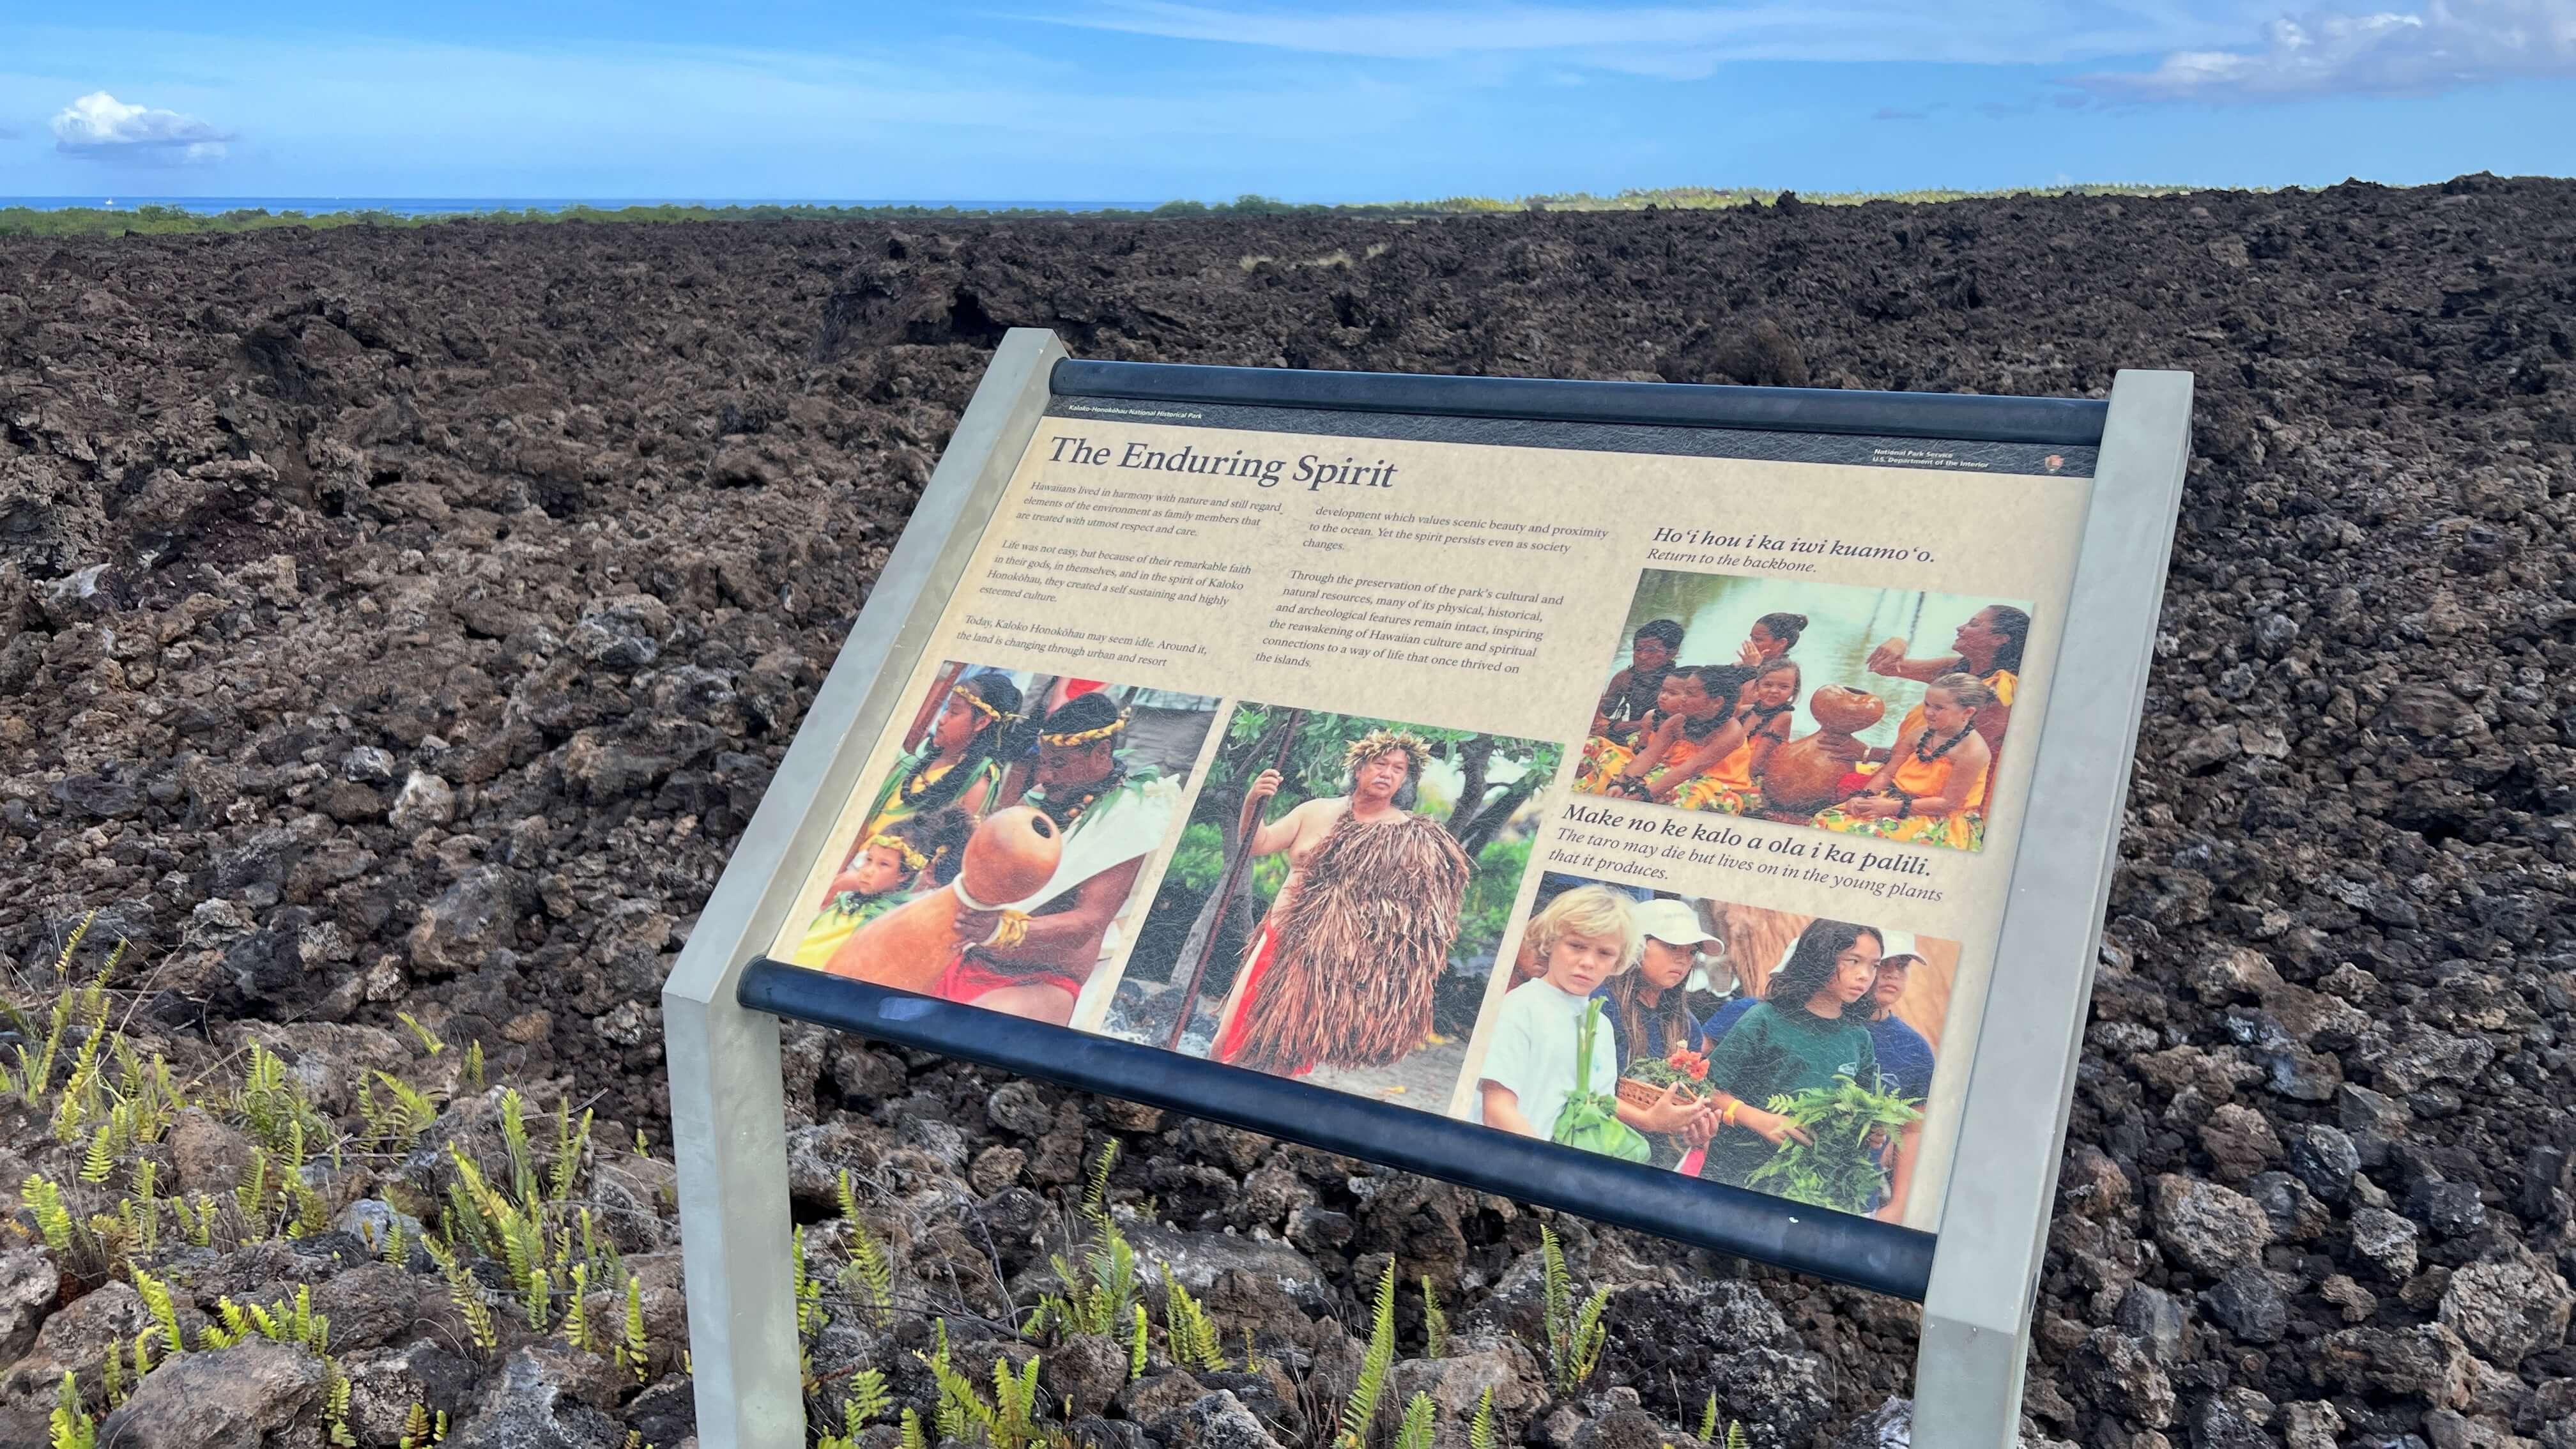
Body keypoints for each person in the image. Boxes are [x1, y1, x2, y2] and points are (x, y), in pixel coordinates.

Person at [1211, 728, 1474, 1075]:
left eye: (1398, 769)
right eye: (1381, 764)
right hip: (1277, 937)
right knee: (1225, 1040)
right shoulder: (1316, 811)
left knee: (1282, 1054)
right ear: (1359, 769)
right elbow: (1258, 843)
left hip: (1328, 961)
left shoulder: (1409, 836)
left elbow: (1417, 916)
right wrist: (1253, 801)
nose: (1388, 773)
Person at [937, 691, 1181, 1024]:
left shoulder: (1129, 816)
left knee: (968, 1024)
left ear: (1101, 753)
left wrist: (1000, 929)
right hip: (971, 958)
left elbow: (1087, 921)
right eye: (1044, 763)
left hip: (1040, 984)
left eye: (1059, 764)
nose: (1045, 776)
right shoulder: (1041, 796)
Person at [1695, 921, 1884, 1196]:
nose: (1865, 975)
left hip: (1812, 1189)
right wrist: (1756, 1118)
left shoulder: (1859, 1038)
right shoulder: (1765, 1019)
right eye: (1853, 961)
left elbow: (1863, 1109)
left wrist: (1870, 1131)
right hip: (1735, 1178)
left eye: (1874, 965)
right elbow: (1705, 1090)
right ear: (1819, 957)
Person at [1474, 885, 1637, 1139]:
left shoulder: (1602, 1026)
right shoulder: (1521, 1006)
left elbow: (1599, 1106)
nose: (1588, 962)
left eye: (1604, 953)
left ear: (1618, 960)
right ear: (1550, 942)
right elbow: (1496, 1110)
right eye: (1577, 946)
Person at [1863, 604, 2027, 811]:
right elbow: (1884, 668)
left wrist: (1867, 753)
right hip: (1910, 780)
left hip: (1940, 800)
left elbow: (1938, 756)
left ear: (1999, 639)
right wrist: (1899, 642)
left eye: (1973, 624)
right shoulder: (1956, 669)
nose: (1960, 628)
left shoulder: (2000, 691)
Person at [1812, 674, 1996, 850]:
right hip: (1895, 799)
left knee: (1864, 834)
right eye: (1927, 704)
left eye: (1939, 708)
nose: (1928, 713)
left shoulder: (1972, 752)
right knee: (1826, 819)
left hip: (1938, 817)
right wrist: (1863, 796)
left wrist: (1890, 808)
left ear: (1968, 712)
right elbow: (1887, 772)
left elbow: (1948, 803)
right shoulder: (1919, 734)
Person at [782, 808, 971, 970]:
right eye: (869, 860)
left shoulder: (912, 911)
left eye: (883, 865)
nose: (869, 871)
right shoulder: (855, 887)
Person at [852, 672, 1022, 851]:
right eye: (946, 709)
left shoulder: (977, 781)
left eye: (954, 713)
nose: (941, 720)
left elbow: (951, 849)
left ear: (981, 723)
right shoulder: (916, 762)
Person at [1582, 664, 1739, 803]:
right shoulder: (1677, 721)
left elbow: (1690, 768)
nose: (1683, 699)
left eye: (1690, 694)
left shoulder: (1731, 732)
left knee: (1684, 794)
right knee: (1613, 762)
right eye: (1684, 692)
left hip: (1717, 786)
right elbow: (1649, 756)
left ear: (1717, 702)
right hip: (1676, 773)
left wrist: (1643, 794)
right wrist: (1621, 783)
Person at [1673, 660, 1800, 815]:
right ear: (1757, 686)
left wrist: (1729, 781)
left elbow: (1757, 762)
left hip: (1752, 777)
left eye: (1784, 687)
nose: (1774, 691)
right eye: (1768, 685)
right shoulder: (1744, 710)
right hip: (1732, 768)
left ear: (1794, 691)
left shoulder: (1783, 717)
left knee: (1701, 792)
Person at [1862, 952, 1934, 1216]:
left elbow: (1912, 1129)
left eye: (1902, 966)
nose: (1892, 974)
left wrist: (1898, 1206)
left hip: (1862, 1202)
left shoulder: (1915, 1049)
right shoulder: (1823, 1026)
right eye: (1883, 965)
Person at [1590, 620, 1686, 745]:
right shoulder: (1624, 677)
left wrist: (1616, 726)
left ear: (1672, 653)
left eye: (1652, 651)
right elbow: (1605, 710)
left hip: (1660, 742)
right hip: (1627, 737)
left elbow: (1668, 723)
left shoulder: (1679, 685)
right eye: (1639, 649)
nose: (1642, 656)